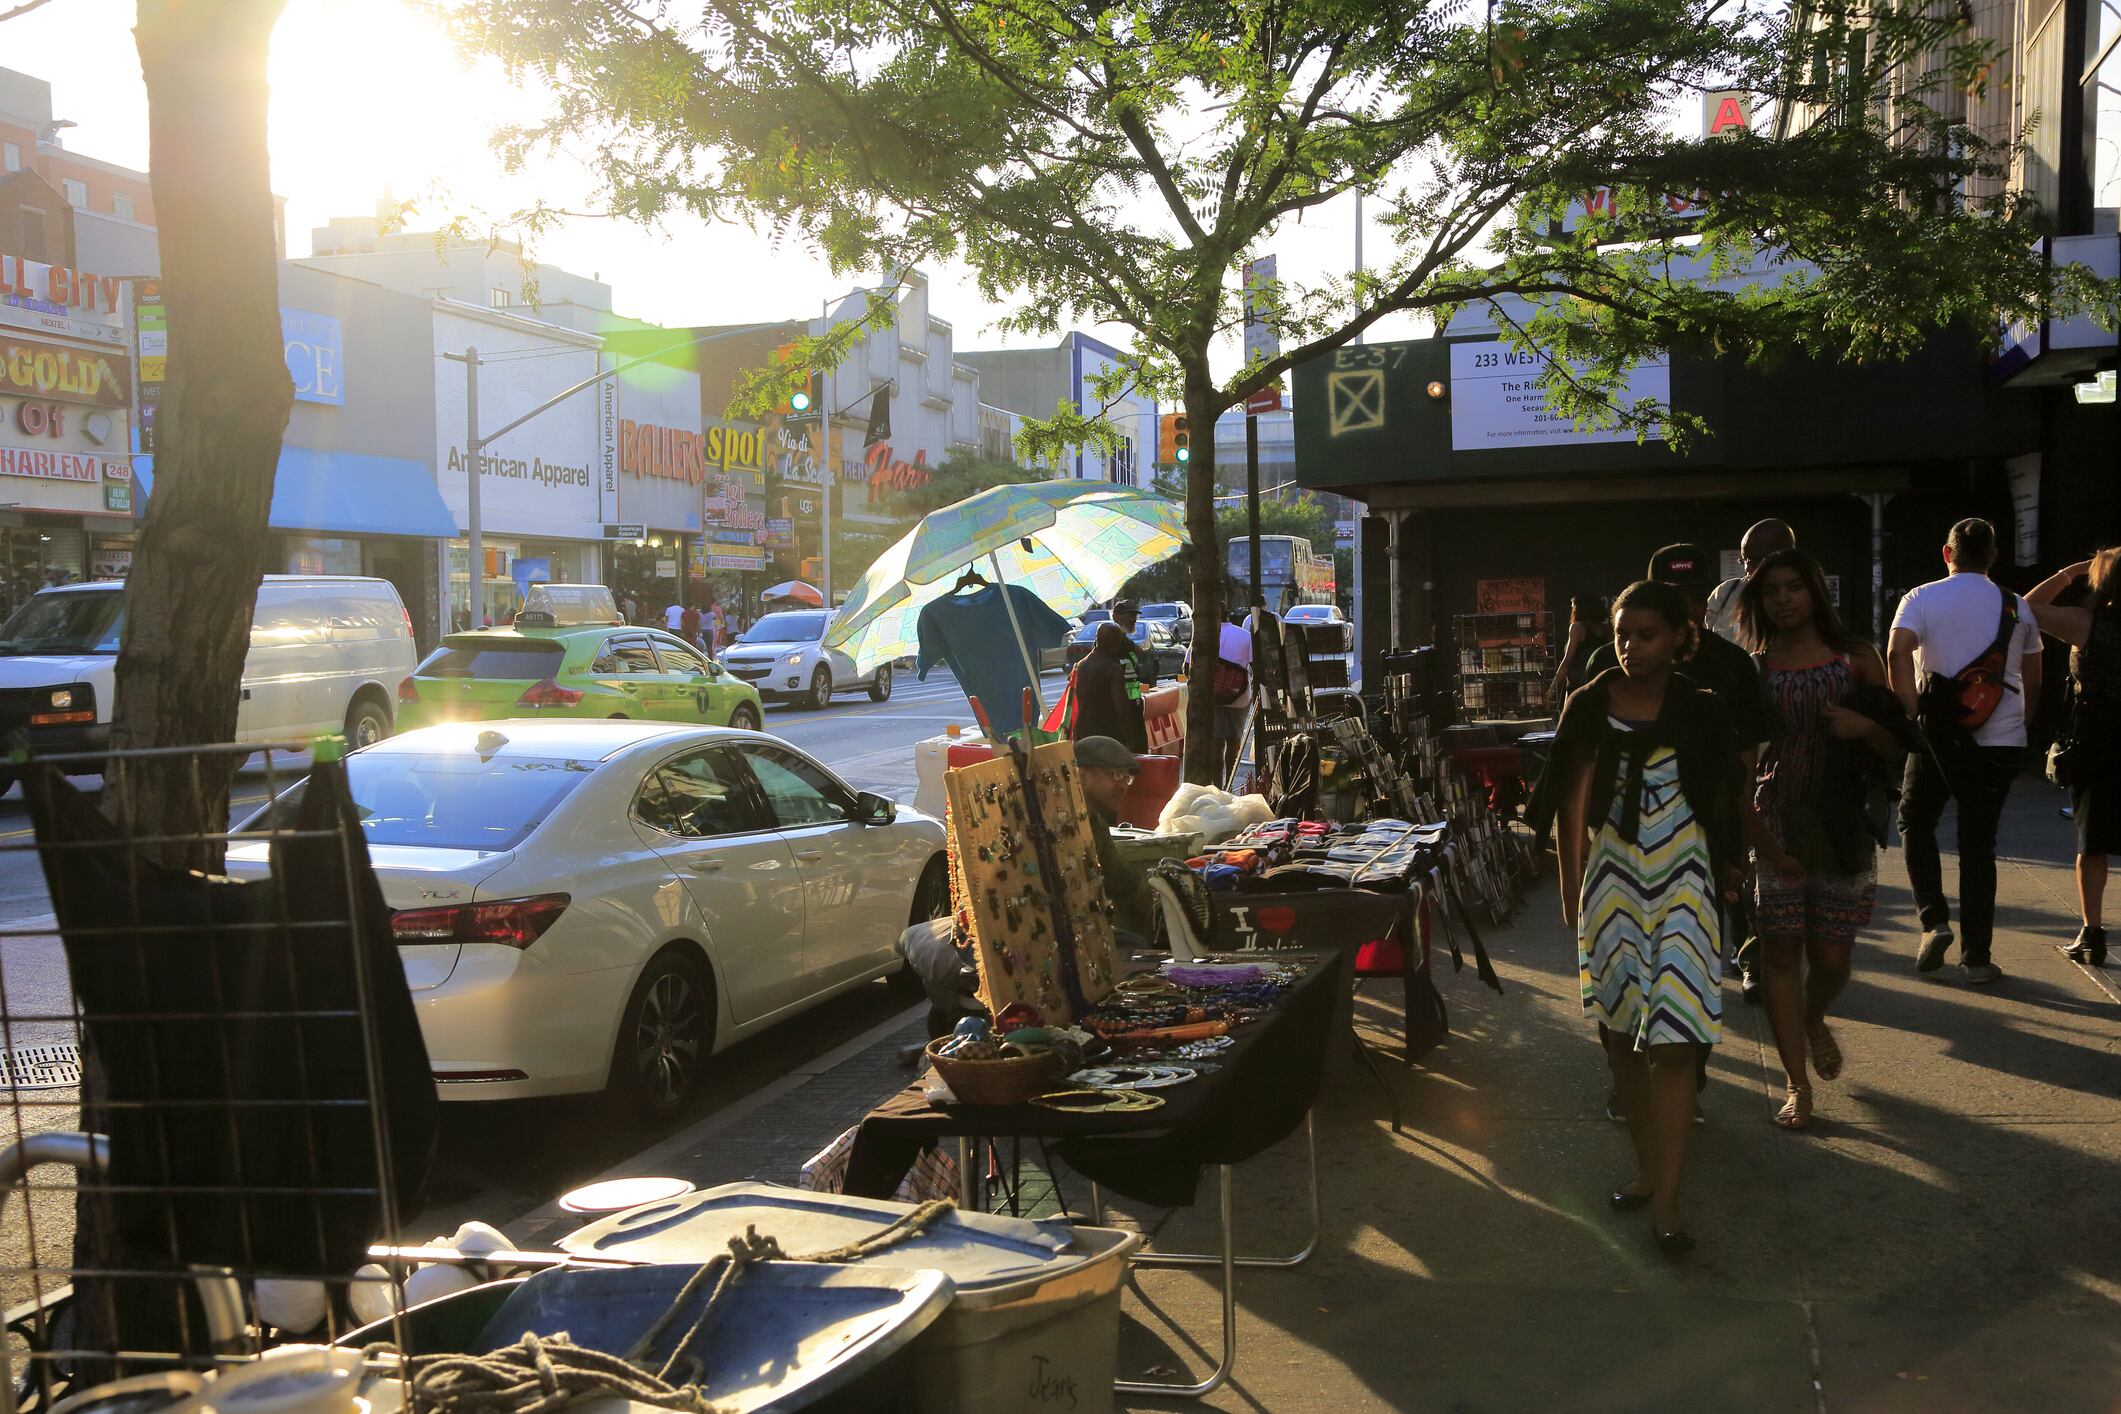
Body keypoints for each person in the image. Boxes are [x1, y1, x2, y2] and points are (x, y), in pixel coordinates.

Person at [1552, 580, 1800, 1254]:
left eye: (1645, 634)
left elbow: (1729, 794)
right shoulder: (1587, 703)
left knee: (1673, 1039)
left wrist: (1757, 856)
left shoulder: (1702, 708)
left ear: (1678, 638)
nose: (1629, 646)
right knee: (1617, 1037)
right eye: (1620, 632)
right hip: (1609, 882)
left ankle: (1667, 1202)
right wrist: (1570, 893)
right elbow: (1567, 803)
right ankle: (1645, 1170)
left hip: (1684, 874)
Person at [1739, 549, 1911, 1130]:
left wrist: (1865, 727)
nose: (1784, 599)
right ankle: (1796, 1085)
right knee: (1781, 953)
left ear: (1816, 591)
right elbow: (1743, 755)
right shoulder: (1756, 666)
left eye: (1794, 587)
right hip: (1777, 816)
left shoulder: (1855, 657)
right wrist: (1752, 835)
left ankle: (1815, 1018)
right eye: (1771, 592)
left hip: (1841, 824)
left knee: (1833, 958)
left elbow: (1896, 749)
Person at [1583, 544, 1772, 1003]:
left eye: (1693, 593)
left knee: (1708, 927)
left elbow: (1747, 754)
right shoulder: (1606, 668)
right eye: (1671, 593)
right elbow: (1582, 764)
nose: (1685, 604)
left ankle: (1747, 961)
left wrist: (1740, 833)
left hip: (1708, 816)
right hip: (1628, 832)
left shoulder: (1731, 663)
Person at [1888, 517, 2042, 984]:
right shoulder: (2017, 608)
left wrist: (1913, 715)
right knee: (1979, 845)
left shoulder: (1920, 598)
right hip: (1999, 739)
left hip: (1938, 736)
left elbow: (1897, 655)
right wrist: (2018, 724)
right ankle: (1977, 960)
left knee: (1916, 819)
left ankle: (1934, 920)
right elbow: (2034, 680)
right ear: (1993, 557)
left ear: (1946, 553)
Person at [2024, 547, 2121, 966]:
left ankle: (2092, 933)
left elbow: (2027, 607)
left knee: (2093, 841)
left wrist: (2069, 570)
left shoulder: (2089, 625)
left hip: (2099, 743)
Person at [1076, 734, 1152, 940]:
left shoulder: (1095, 823)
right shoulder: (1056, 821)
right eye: (1115, 774)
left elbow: (1120, 878)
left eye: (1128, 778)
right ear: (1081, 777)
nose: (1124, 785)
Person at [1706, 519, 1796, 643]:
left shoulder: (1802, 597)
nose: (1747, 568)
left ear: (1785, 556)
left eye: (1755, 559)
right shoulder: (1726, 592)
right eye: (1744, 560)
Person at [1071, 622, 1149, 753]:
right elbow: (1121, 709)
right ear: (1114, 643)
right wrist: (1130, 740)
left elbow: (1077, 703)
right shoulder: (1112, 669)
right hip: (1109, 737)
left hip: (1084, 735)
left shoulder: (1081, 665)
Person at [1215, 614, 1255, 781]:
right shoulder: (1244, 635)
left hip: (1213, 697)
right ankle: (1229, 785)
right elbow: (1254, 664)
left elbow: (1187, 665)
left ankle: (1215, 784)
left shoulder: (1204, 635)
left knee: (1216, 743)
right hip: (1240, 697)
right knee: (1234, 740)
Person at [1548, 593, 1604, 705]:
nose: (1572, 610)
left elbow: (1567, 661)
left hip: (1578, 686)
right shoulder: (1603, 629)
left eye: (1573, 606)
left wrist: (1552, 690)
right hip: (1599, 685)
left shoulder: (1577, 627)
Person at [1110, 599, 1159, 690]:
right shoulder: (1109, 642)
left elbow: (1140, 652)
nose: (1133, 620)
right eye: (1129, 616)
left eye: (1135, 616)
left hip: (1131, 700)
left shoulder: (1126, 642)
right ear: (1115, 617)